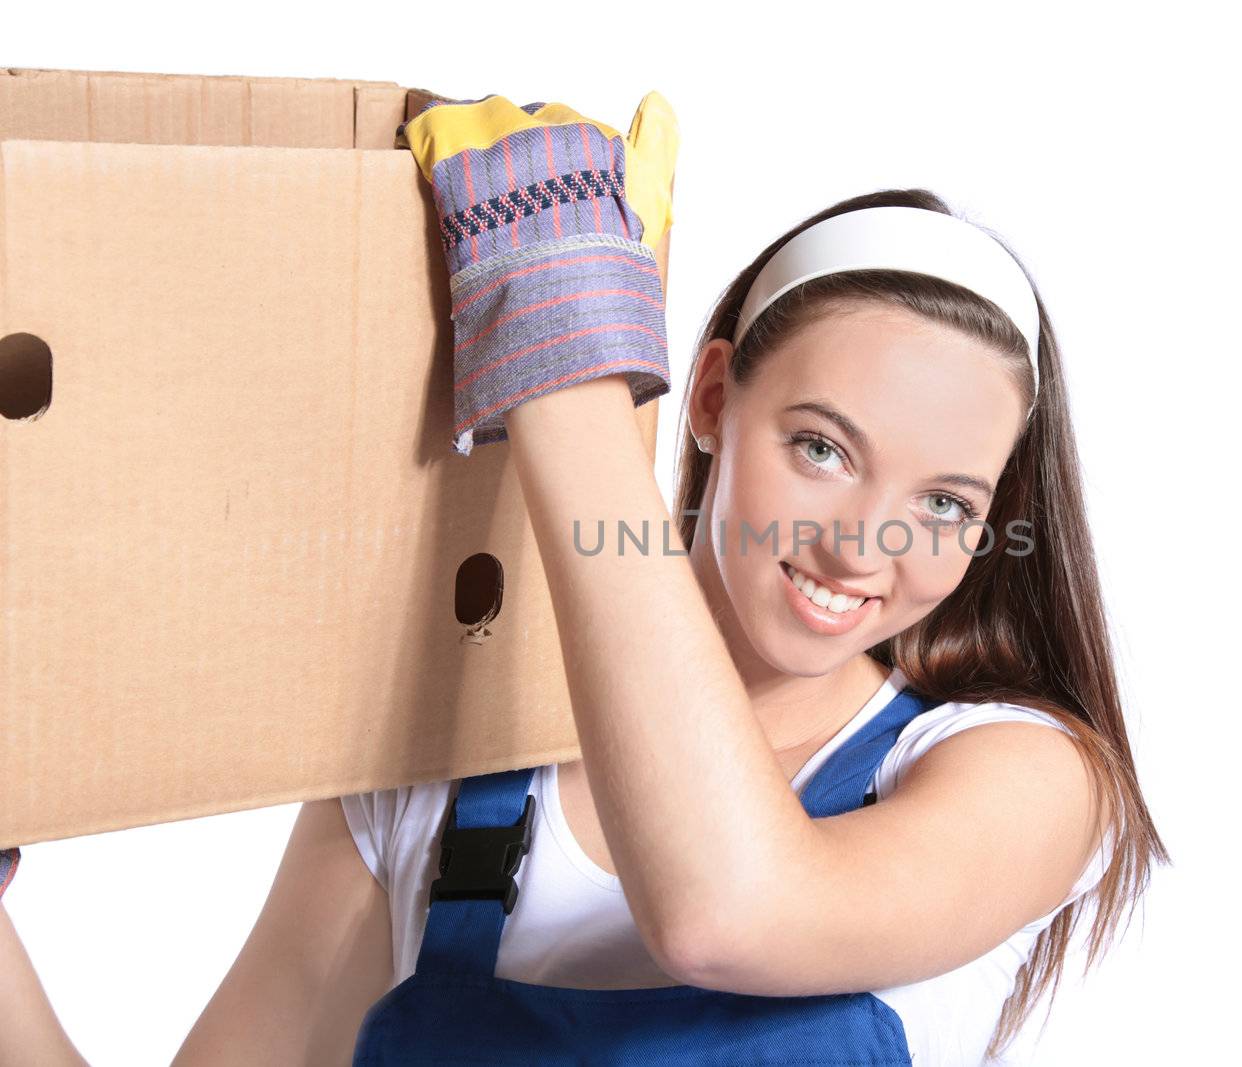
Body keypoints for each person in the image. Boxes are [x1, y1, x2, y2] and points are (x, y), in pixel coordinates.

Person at [5, 96, 1170, 1066]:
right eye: (821, 447)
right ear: (711, 398)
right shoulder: (432, 776)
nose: (864, 545)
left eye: (945, 504)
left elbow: (730, 912)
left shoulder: (1023, 776)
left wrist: (567, 387)